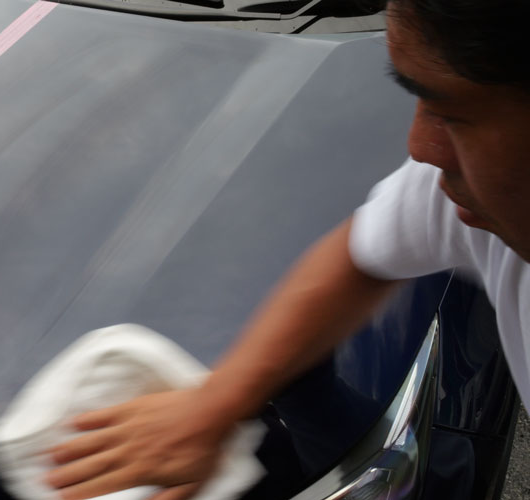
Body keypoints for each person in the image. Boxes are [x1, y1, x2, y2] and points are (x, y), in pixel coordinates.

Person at [45, 0, 530, 498]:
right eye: (419, 98)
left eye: (450, 112)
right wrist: (213, 407)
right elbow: (358, 257)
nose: (420, 148)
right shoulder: (459, 190)